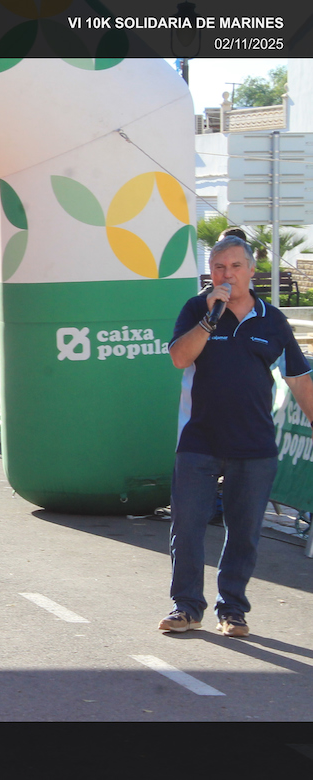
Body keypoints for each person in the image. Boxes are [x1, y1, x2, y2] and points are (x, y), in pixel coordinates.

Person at [160, 236, 313, 637]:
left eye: (235, 266)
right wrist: (209, 320)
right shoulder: (197, 309)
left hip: (254, 444)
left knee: (243, 533)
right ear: (210, 272)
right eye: (219, 268)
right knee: (187, 528)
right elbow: (179, 357)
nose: (227, 275)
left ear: (251, 270)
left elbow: (299, 379)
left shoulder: (272, 320)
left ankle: (232, 610)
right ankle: (186, 607)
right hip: (198, 441)